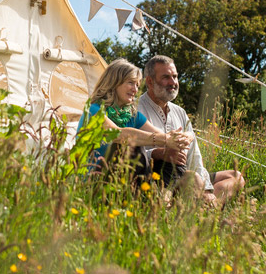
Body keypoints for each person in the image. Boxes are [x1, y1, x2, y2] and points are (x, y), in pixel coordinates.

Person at [138, 55, 245, 204]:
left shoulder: (179, 112)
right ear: (149, 81)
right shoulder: (137, 109)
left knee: (236, 176)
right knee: (190, 177)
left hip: (186, 174)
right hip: (159, 177)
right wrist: (159, 153)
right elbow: (132, 152)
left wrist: (206, 188)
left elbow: (194, 156)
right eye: (166, 77)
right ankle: (205, 207)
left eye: (175, 76)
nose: (173, 82)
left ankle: (206, 203)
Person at [77, 58, 190, 177]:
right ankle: (154, 191)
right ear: (114, 82)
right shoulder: (94, 110)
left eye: (137, 85)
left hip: (121, 178)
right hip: (92, 180)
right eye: (130, 82)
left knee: (169, 154)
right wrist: (166, 139)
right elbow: (118, 134)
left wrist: (179, 139)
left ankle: (161, 192)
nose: (135, 89)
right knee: (132, 147)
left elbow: (161, 134)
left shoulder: (132, 115)